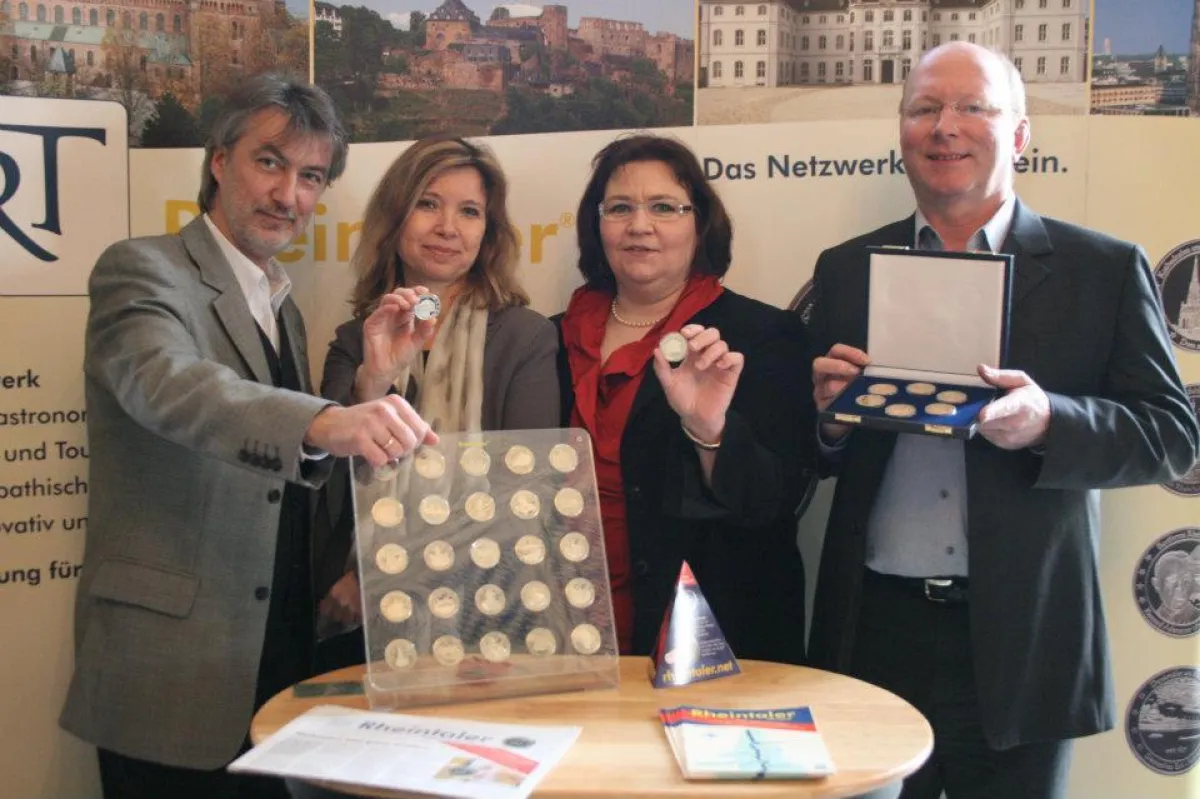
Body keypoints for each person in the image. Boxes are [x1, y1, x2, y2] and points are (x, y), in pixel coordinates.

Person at [806, 42, 1200, 799]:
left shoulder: (1103, 269)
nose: (944, 127)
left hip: (1027, 637)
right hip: (876, 634)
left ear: (1019, 135)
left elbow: (1171, 434)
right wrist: (828, 421)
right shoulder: (846, 268)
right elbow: (816, 455)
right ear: (901, 133)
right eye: (923, 109)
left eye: (972, 107)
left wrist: (1050, 419)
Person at [59, 74, 436, 799]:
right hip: (170, 671)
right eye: (270, 162)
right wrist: (325, 418)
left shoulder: (280, 305)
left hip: (271, 660)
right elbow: (167, 386)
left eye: (311, 176)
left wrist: (369, 388)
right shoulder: (143, 269)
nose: (288, 194)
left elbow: (286, 465)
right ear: (218, 160)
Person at [557, 133, 815, 663]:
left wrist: (710, 432)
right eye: (620, 208)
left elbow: (774, 501)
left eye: (665, 207)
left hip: (704, 636)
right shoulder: (552, 338)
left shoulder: (763, 335)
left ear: (699, 224)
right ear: (596, 225)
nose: (640, 226)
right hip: (568, 627)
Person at [313, 134, 560, 650]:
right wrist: (375, 379)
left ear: (487, 233)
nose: (448, 227)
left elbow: (523, 496)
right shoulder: (354, 340)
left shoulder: (524, 337)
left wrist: (383, 578)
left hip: (490, 614)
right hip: (358, 628)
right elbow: (330, 487)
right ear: (396, 216)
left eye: (469, 211)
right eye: (428, 204)